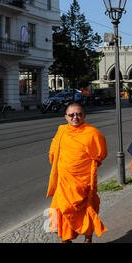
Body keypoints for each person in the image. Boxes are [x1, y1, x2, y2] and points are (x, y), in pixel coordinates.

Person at [46, 103, 108, 243]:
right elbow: (53, 152)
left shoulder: (92, 133)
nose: (76, 117)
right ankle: (65, 238)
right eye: (72, 115)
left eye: (79, 114)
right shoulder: (61, 131)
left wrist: (86, 168)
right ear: (66, 117)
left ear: (84, 116)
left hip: (83, 182)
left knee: (86, 211)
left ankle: (88, 238)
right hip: (64, 181)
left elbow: (101, 154)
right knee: (60, 211)